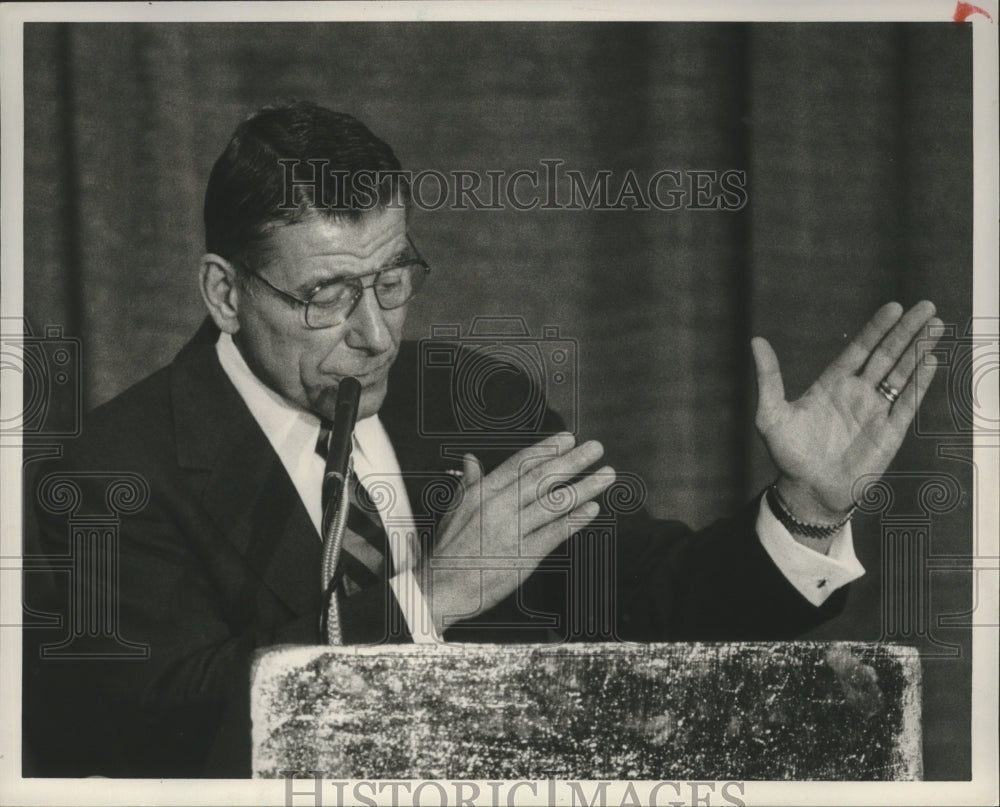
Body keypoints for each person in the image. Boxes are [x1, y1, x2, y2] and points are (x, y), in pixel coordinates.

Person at [22, 101, 941, 777]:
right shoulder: (112, 470)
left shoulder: (478, 399)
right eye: (326, 297)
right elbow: (162, 735)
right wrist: (429, 597)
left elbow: (658, 606)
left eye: (393, 279)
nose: (376, 334)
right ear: (224, 292)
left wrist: (806, 511)